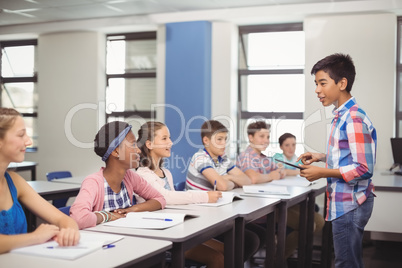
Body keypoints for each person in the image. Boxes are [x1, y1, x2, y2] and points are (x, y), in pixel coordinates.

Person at [298, 53, 376, 268]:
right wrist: (321, 157)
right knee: (349, 260)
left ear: (342, 83)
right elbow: (349, 153)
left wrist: (321, 172)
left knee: (346, 263)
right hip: (346, 201)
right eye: (316, 83)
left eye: (323, 83)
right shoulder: (342, 114)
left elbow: (363, 168)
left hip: (350, 203)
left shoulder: (353, 118)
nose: (317, 90)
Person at [136, 121, 224, 268]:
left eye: (169, 138)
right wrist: (205, 196)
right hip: (162, 237)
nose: (170, 142)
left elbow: (174, 201)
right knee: (217, 259)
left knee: (225, 249)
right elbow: (166, 198)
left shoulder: (167, 173)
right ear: (149, 144)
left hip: (175, 228)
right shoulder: (143, 175)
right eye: (164, 138)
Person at [0, 108, 80, 254]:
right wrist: (35, 237)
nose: (29, 141)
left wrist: (69, 231)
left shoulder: (15, 181)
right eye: (21, 135)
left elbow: (63, 219)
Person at [185, 119, 264, 263]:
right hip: (202, 218)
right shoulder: (200, 158)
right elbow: (221, 186)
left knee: (260, 234)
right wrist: (230, 180)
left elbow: (246, 181)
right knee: (250, 240)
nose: (224, 143)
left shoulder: (223, 159)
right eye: (219, 139)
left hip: (219, 213)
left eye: (225, 139)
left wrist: (226, 177)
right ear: (206, 141)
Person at [70, 121, 166, 229]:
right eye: (133, 144)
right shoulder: (93, 182)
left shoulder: (130, 177)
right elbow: (78, 218)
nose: (138, 150)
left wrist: (131, 210)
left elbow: (159, 199)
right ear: (116, 152)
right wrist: (107, 215)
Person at [273, 132, 325, 259]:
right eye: (287, 145)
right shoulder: (277, 157)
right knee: (308, 225)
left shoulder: (296, 158)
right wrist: (298, 171)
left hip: (294, 201)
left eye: (294, 144)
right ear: (281, 147)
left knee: (319, 222)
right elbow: (281, 171)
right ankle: (277, 259)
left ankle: (282, 255)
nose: (291, 148)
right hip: (279, 204)